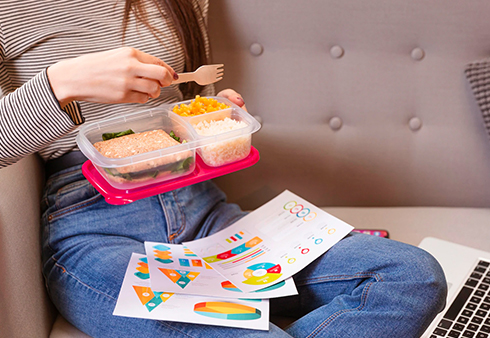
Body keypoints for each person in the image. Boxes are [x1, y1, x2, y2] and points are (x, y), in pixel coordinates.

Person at [0, 0, 447, 337]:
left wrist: (213, 118)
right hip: (96, 228)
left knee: (413, 276)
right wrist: (60, 85)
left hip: (208, 215)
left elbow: (186, 95)